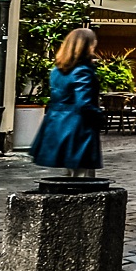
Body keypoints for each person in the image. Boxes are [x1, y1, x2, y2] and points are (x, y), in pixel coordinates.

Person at [30, 28, 102, 177]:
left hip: (56, 122)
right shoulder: (82, 71)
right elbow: (84, 103)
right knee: (82, 175)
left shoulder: (57, 70)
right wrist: (99, 116)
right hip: (78, 126)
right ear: (87, 46)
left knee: (71, 173)